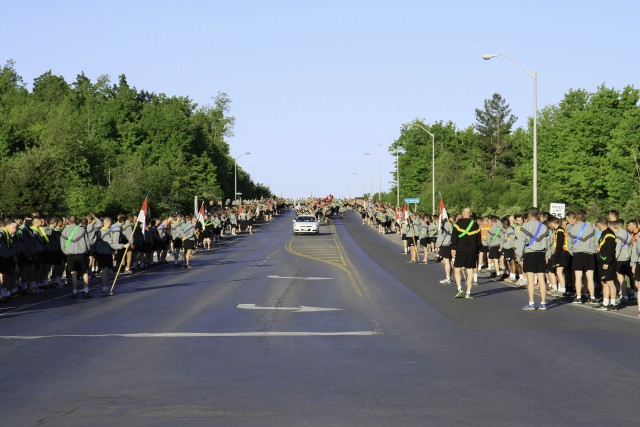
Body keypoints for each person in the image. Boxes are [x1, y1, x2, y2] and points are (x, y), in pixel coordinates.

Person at [515, 208, 550, 311]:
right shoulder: (544, 227)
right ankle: (543, 303)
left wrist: (519, 256)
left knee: (530, 281)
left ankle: (531, 303)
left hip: (529, 254)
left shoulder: (525, 227)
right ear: (537, 215)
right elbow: (548, 243)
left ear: (529, 215)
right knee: (542, 280)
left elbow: (520, 243)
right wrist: (547, 255)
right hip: (541, 254)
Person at [567, 210, 597, 304]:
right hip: (589, 254)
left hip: (578, 254)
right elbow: (596, 242)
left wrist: (573, 252)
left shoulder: (572, 229)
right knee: (590, 277)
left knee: (578, 277)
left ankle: (579, 297)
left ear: (576, 218)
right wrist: (593, 251)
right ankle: (592, 297)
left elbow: (569, 245)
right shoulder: (592, 229)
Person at [451, 208, 481, 299]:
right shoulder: (476, 225)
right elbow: (478, 240)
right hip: (472, 250)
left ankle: (459, 288)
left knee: (457, 269)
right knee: (470, 270)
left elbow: (454, 237)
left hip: (460, 249)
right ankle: (468, 293)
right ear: (471, 214)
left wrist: (453, 248)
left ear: (462, 214)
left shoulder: (457, 224)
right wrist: (478, 250)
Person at [95, 217, 129, 296]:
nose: (111, 225)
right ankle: (104, 288)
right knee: (105, 271)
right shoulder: (104, 232)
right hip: (104, 254)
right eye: (110, 224)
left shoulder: (105, 231)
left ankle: (106, 288)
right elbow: (111, 243)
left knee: (106, 271)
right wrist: (123, 246)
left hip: (106, 253)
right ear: (108, 223)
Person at [60, 215, 93, 299]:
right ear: (77, 221)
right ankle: (86, 291)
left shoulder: (64, 231)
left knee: (73, 273)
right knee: (85, 272)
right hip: (81, 254)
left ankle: (75, 292)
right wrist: (87, 251)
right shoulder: (82, 230)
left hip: (70, 255)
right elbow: (87, 243)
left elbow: (62, 244)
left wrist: (66, 252)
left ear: (68, 221)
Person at [593, 218, 617, 311]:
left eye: (597, 224)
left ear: (599, 224)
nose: (597, 226)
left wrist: (607, 262)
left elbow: (610, 250)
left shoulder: (609, 234)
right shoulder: (604, 233)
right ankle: (605, 303)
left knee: (610, 282)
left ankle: (613, 304)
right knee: (604, 282)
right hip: (602, 261)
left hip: (608, 262)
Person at [435, 216, 453, 284]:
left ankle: (447, 278)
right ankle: (450, 277)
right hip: (451, 244)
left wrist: (437, 245)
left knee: (446, 261)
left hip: (446, 244)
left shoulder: (444, 225)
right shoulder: (452, 224)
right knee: (450, 262)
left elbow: (441, 236)